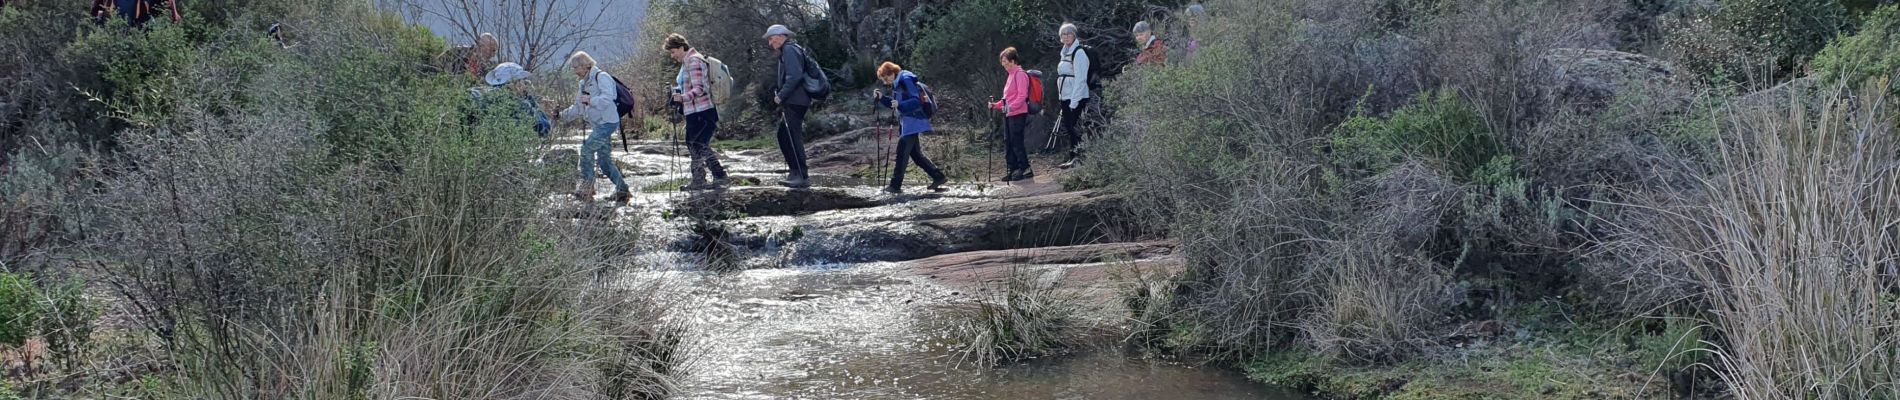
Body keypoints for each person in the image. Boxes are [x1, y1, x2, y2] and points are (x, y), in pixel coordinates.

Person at [555, 51, 631, 202]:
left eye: (576, 68)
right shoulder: (583, 83)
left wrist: (590, 100)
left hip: (608, 123)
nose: (575, 71)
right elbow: (578, 108)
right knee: (604, 162)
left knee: (586, 149)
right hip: (599, 125)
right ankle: (622, 190)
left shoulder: (602, 77)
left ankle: (587, 187)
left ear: (586, 65)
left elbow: (608, 98)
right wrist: (560, 116)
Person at [872, 62, 949, 194]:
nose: (885, 82)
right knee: (916, 155)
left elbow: (916, 101)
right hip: (908, 122)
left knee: (902, 152)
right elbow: (895, 104)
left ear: (891, 73)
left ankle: (895, 186)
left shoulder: (905, 79)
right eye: (883, 80)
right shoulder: (898, 82)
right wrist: (882, 98)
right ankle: (938, 177)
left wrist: (900, 105)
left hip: (913, 121)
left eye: (885, 78)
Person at [666, 34, 728, 191]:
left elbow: (700, 88)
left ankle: (716, 177)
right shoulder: (688, 62)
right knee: (695, 143)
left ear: (681, 47)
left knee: (698, 144)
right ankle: (704, 179)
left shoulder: (694, 61)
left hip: (703, 111)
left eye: (673, 52)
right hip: (696, 111)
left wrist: (682, 98)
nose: (672, 56)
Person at [764, 24, 813, 188]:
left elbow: (795, 76)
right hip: (795, 100)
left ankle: (801, 175)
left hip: (795, 100)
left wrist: (781, 96)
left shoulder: (790, 50)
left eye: (771, 38)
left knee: (792, 136)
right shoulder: (789, 49)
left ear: (780, 35)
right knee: (784, 135)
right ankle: (795, 173)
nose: (770, 43)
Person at [988, 47, 1034, 182]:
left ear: (1013, 61)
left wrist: (1010, 108)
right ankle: (1013, 169)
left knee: (1016, 141)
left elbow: (1022, 96)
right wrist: (996, 105)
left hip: (1018, 113)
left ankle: (1025, 168)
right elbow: (1007, 99)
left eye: (1006, 61)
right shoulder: (1011, 75)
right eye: (1002, 62)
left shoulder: (1020, 74)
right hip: (1010, 114)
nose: (1004, 65)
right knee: (1008, 142)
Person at [1055, 23, 1092, 169]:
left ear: (1074, 35)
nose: (1066, 37)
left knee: (1075, 127)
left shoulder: (1079, 53)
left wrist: (1074, 102)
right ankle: (1073, 158)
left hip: (1075, 97)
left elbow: (1081, 79)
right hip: (1065, 96)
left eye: (1069, 34)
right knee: (1070, 128)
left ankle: (1080, 158)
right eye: (1063, 34)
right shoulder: (1064, 52)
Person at [481, 62, 552, 137]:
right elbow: (544, 129)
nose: (523, 85)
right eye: (521, 81)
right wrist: (532, 103)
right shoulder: (521, 105)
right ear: (515, 83)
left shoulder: (487, 98)